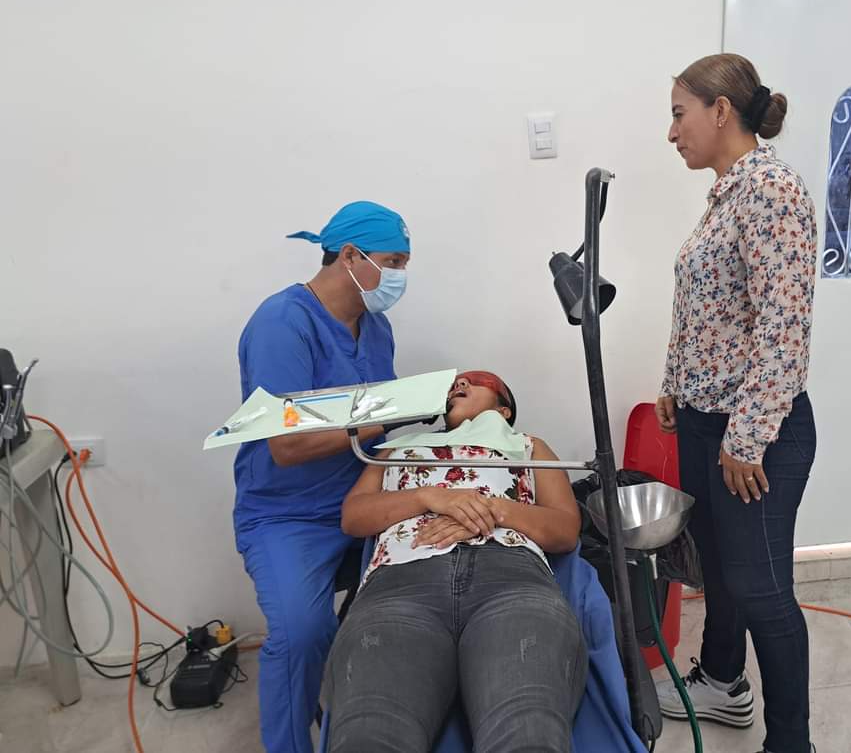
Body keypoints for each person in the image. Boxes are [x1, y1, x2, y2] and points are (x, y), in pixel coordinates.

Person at [653, 54, 819, 753]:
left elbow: (784, 327)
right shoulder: (727, 195)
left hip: (756, 434)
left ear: (721, 110)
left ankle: (791, 742)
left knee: (761, 589)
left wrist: (745, 439)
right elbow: (710, 306)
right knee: (718, 571)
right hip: (706, 420)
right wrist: (675, 381)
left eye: (679, 114)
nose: (672, 132)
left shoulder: (771, 190)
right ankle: (723, 680)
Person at [325, 371, 588, 753]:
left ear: (504, 409)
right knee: (369, 736)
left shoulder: (527, 446)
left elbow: (565, 529)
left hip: (511, 582)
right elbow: (353, 517)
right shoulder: (396, 449)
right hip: (401, 586)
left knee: (527, 732)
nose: (459, 384)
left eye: (476, 380)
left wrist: (489, 509)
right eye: (455, 383)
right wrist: (430, 497)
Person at [232, 200, 411, 753]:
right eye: (393, 262)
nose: (400, 277)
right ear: (351, 256)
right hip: (287, 514)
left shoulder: (375, 328)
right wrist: (396, 414)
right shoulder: (282, 325)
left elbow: (374, 422)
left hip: (361, 496)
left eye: (405, 264)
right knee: (302, 633)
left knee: (417, 606)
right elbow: (286, 447)